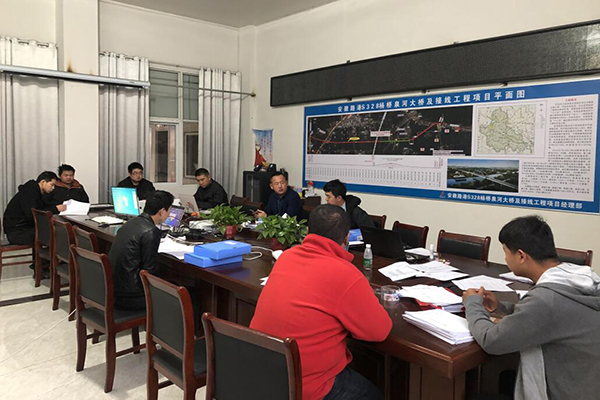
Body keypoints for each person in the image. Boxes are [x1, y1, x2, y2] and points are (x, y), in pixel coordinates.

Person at [250, 204, 392, 400]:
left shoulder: (286, 257)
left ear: (308, 231)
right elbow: (379, 331)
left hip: (262, 372)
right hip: (304, 385)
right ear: (346, 239)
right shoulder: (345, 273)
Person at [462, 215, 600, 400]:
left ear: (521, 255)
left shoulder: (546, 300)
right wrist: (500, 308)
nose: (505, 258)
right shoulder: (577, 277)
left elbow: (491, 341)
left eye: (505, 252)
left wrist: (472, 304)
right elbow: (546, 318)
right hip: (583, 383)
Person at [108, 190, 174, 310]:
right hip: (131, 296)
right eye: (169, 210)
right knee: (183, 294)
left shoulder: (130, 223)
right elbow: (149, 272)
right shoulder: (151, 232)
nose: (169, 214)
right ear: (162, 211)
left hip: (114, 288)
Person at [3, 171, 66, 245]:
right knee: (57, 233)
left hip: (22, 229)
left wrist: (56, 207)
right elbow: (33, 214)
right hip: (17, 232)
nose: (53, 188)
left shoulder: (35, 192)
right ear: (43, 182)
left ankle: (49, 252)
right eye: (52, 185)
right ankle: (52, 252)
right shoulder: (29, 193)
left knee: (56, 231)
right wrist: (55, 209)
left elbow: (43, 207)